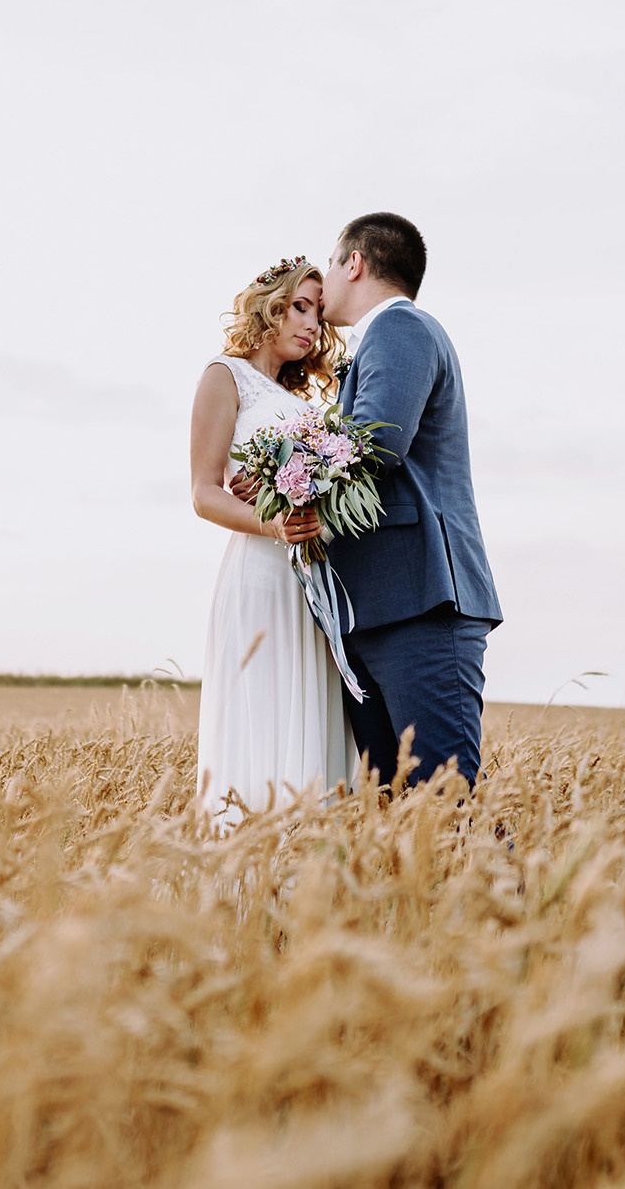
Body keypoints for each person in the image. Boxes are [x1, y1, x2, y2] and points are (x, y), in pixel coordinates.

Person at [312, 213, 501, 791]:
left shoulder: (400, 329)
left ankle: (516, 888)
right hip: (378, 605)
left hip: (422, 601)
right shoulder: (380, 340)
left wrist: (287, 477)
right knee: (398, 812)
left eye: (330, 262)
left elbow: (379, 442)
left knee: (447, 800)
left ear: (355, 262)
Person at [188, 258, 358, 817]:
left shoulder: (309, 407)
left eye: (319, 314)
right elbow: (204, 492)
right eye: (300, 307)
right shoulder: (225, 375)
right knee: (263, 720)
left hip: (311, 583)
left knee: (311, 726)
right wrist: (272, 521)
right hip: (260, 579)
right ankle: (247, 876)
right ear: (271, 305)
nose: (311, 324)